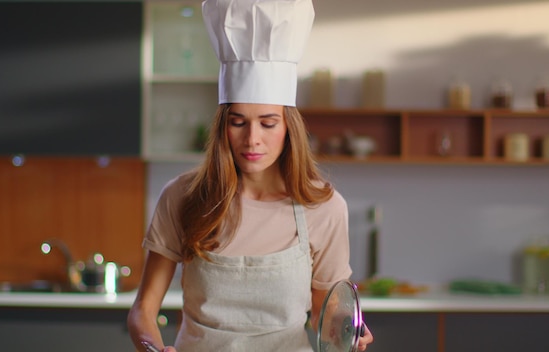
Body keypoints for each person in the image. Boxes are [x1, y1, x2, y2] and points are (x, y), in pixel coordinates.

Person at [127, 0, 374, 351]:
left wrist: (350, 331)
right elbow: (143, 310)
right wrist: (151, 347)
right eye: (238, 122)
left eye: (268, 123)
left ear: (289, 127)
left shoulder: (324, 207)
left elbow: (325, 313)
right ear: (222, 126)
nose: (252, 139)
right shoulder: (182, 197)